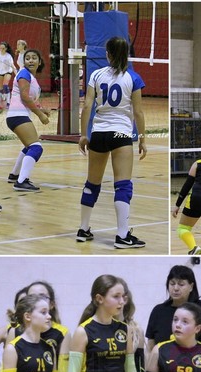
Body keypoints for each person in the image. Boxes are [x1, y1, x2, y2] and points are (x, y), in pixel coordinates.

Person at [78, 36, 147, 249]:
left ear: (107, 54)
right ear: (127, 54)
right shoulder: (133, 78)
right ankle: (122, 236)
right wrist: (142, 139)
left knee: (92, 183)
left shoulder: (96, 75)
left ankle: (83, 229)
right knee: (123, 185)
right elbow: (138, 112)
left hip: (99, 133)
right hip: (120, 134)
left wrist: (83, 135)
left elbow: (87, 106)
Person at [4, 49, 50, 192]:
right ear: (24, 62)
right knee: (36, 148)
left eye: (34, 58)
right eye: (27, 58)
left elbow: (29, 98)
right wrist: (40, 115)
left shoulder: (31, 77)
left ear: (39, 62)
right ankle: (21, 181)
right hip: (17, 115)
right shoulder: (24, 73)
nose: (30, 60)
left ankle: (14, 175)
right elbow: (24, 97)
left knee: (29, 146)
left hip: (18, 115)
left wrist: (41, 109)